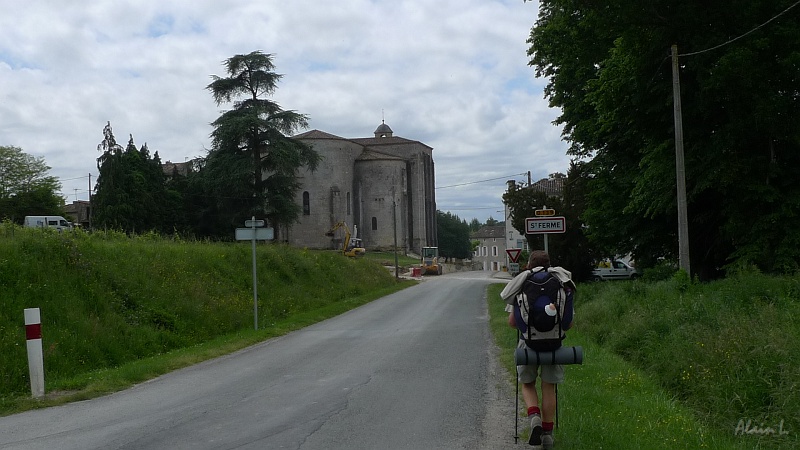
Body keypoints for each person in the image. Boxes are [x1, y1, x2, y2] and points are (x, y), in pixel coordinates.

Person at [500, 250, 575, 449]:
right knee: (549, 386)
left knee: (527, 383)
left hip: (528, 343)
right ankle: (548, 434)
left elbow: (512, 322)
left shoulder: (523, 285)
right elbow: (568, 324)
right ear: (550, 264)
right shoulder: (559, 283)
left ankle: (534, 417)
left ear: (529, 265)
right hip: (554, 345)